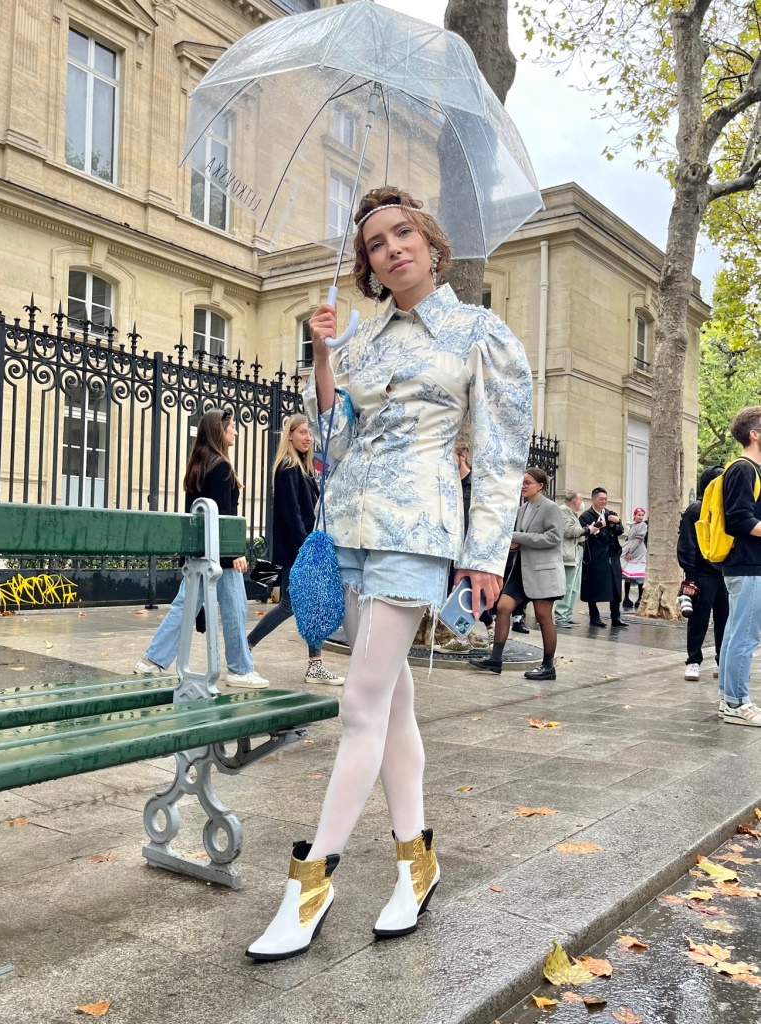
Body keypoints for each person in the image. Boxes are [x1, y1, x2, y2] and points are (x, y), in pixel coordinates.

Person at [245, 185, 532, 961]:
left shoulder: (480, 332)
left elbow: (502, 452)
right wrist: (323, 354)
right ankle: (417, 863)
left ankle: (312, 880)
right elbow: (331, 437)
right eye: (375, 242)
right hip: (351, 529)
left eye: (403, 232)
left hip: (416, 531)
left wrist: (484, 555)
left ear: (430, 243)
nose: (392, 247)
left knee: (360, 704)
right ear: (368, 264)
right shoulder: (364, 339)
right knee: (393, 705)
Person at [135, 408, 269, 688]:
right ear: (219, 431)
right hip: (221, 554)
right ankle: (240, 669)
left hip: (201, 552)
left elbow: (198, 516)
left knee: (186, 607)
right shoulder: (220, 467)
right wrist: (235, 553)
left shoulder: (200, 465)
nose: (235, 431)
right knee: (235, 609)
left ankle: (152, 661)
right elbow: (221, 518)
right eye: (232, 426)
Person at [246, 414, 344, 685]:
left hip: (303, 549)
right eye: (302, 432)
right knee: (289, 605)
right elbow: (292, 515)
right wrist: (306, 550)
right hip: (297, 551)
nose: (307, 438)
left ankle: (315, 665)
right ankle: (245, 646)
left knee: (311, 604)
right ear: (289, 435)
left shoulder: (304, 467)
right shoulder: (288, 467)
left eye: (309, 433)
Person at [471, 467, 565, 680]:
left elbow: (554, 538)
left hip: (543, 572)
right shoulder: (522, 508)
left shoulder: (551, 508)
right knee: (503, 607)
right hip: (521, 569)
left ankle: (548, 667)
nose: (523, 486)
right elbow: (522, 537)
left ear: (540, 485)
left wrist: (518, 537)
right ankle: (495, 659)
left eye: (527, 482)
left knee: (543, 616)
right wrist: (515, 544)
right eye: (521, 482)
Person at [718, 408, 761, 725]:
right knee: (745, 636)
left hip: (746, 566)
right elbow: (740, 519)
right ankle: (736, 702)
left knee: (736, 634)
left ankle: (728, 698)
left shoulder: (749, 469)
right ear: (754, 434)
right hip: (748, 565)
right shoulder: (744, 469)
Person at [433, 439, 495, 654]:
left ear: (463, 457)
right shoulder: (446, 484)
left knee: (468, 591)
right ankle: (460, 636)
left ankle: (472, 634)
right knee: (451, 591)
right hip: (448, 546)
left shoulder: (476, 485)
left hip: (469, 548)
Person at [677, 466, 728, 682]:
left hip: (726, 574)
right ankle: (693, 661)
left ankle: (721, 661)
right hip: (703, 574)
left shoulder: (727, 508)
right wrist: (690, 576)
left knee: (725, 621)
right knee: (699, 620)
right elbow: (687, 545)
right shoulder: (695, 510)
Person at [579, 487, 628, 628]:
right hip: (595, 556)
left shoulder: (610, 514)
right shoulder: (586, 516)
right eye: (601, 499)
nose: (604, 501)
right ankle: (594, 617)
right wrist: (596, 528)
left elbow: (620, 531)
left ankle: (616, 617)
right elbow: (582, 535)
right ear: (593, 499)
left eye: (606, 499)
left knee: (616, 586)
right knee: (593, 586)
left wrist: (617, 521)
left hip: (612, 555)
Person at [554, 490, 598, 627]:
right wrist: (588, 529)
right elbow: (568, 531)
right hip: (567, 554)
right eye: (581, 499)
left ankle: (567, 615)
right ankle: (560, 617)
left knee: (573, 588)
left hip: (575, 553)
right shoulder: (563, 511)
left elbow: (576, 533)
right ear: (575, 501)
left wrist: (587, 531)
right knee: (567, 587)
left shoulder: (572, 513)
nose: (582, 503)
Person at [621, 508, 648, 609]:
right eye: (639, 515)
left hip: (638, 552)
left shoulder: (643, 525)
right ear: (635, 515)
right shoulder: (633, 525)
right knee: (628, 575)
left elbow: (638, 540)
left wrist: (630, 551)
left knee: (640, 575)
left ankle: (640, 598)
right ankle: (626, 598)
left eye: (642, 515)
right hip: (630, 550)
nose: (641, 517)